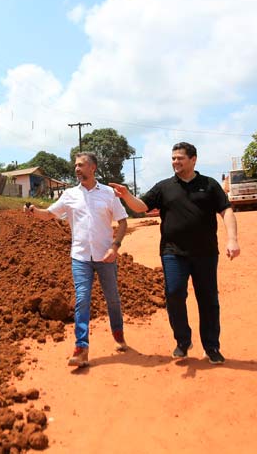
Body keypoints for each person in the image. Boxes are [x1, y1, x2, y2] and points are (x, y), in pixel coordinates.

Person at [111, 142, 240, 365]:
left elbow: (225, 210)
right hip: (173, 252)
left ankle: (211, 347)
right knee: (174, 294)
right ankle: (183, 341)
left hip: (206, 252)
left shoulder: (209, 185)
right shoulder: (164, 187)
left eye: (180, 158)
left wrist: (232, 239)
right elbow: (142, 207)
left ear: (193, 159)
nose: (175, 162)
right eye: (173, 158)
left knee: (208, 299)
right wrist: (126, 195)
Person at [25, 152, 129, 368]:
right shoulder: (70, 195)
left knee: (112, 299)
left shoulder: (109, 194)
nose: (76, 169)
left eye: (81, 165)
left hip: (105, 256)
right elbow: (50, 214)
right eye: (75, 166)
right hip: (80, 257)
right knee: (82, 300)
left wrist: (115, 247)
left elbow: (123, 223)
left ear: (93, 168)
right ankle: (81, 348)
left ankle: (118, 333)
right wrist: (34, 211)